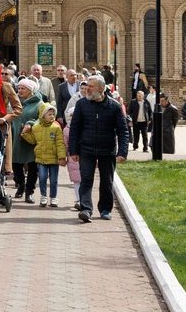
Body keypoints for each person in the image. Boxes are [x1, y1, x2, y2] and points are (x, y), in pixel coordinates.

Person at [68, 75, 129, 222]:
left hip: (107, 150)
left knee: (107, 181)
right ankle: (86, 209)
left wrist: (122, 152)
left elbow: (123, 130)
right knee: (86, 179)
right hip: (86, 149)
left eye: (91, 86)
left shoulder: (114, 106)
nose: (87, 89)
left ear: (101, 89)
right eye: (87, 86)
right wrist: (73, 151)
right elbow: (75, 128)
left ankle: (105, 209)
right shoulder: (82, 104)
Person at [21, 104, 66, 207]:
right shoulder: (36, 127)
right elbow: (33, 140)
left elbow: (60, 143)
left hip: (54, 159)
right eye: (49, 114)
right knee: (42, 177)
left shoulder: (56, 127)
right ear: (42, 115)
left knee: (54, 179)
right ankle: (43, 196)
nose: (52, 116)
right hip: (41, 158)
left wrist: (62, 157)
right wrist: (25, 134)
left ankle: (53, 197)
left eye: (53, 114)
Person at [10, 78, 42, 203]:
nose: (20, 90)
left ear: (30, 90)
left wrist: (30, 123)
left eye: (23, 88)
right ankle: (20, 186)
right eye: (19, 88)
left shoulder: (38, 103)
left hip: (30, 139)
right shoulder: (14, 101)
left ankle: (29, 192)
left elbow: (41, 118)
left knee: (32, 166)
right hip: (15, 137)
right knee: (16, 164)